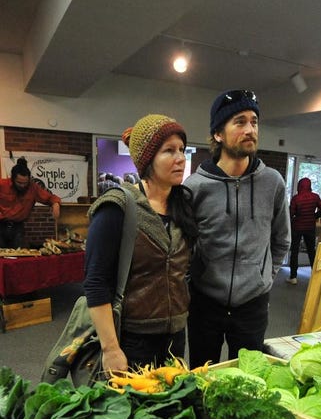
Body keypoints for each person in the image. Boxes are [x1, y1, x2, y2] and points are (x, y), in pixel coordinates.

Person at [84, 114, 197, 373]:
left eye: (182, 149)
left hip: (176, 336)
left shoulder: (183, 207)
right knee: (136, 411)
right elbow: (95, 280)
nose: (180, 158)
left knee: (173, 409)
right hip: (133, 339)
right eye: (169, 151)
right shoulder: (118, 207)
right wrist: (110, 349)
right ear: (147, 160)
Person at [185, 89, 290, 367]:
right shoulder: (194, 187)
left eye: (254, 121)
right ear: (218, 134)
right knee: (202, 375)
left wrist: (264, 277)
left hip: (252, 304)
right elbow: (183, 245)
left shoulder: (273, 183)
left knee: (247, 381)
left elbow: (282, 239)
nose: (250, 129)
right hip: (205, 301)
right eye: (240, 122)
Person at [0, 157, 61, 248]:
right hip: (1, 225)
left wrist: (56, 204)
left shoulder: (33, 188)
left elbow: (50, 197)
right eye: (19, 183)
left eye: (25, 183)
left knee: (20, 257)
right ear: (12, 179)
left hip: (18, 228)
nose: (23, 186)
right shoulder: (2, 184)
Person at [287, 177, 321, 284]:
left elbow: (290, 214)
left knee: (294, 251)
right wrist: (314, 216)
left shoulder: (296, 198)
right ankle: (316, 276)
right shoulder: (315, 197)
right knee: (311, 252)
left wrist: (293, 219)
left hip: (297, 227)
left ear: (299, 186)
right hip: (310, 227)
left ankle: (293, 277)